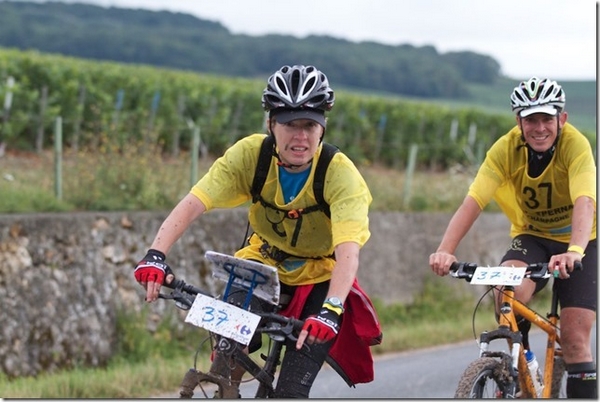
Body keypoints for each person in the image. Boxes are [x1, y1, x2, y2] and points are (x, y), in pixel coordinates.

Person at [133, 64, 382, 398]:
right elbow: (195, 201)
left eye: (310, 125)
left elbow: (348, 253)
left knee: (291, 391)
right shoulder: (251, 155)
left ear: (322, 129)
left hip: (319, 279)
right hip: (258, 269)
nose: (301, 136)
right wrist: (155, 255)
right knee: (223, 363)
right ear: (271, 124)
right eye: (290, 124)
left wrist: (332, 310)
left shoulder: (340, 175)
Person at [429, 77, 596, 398]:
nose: (539, 128)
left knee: (575, 341)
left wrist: (575, 250)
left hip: (582, 240)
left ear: (562, 119)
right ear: (518, 121)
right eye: (530, 119)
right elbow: (473, 201)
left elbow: (585, 201)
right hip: (532, 235)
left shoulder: (576, 146)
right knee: (507, 294)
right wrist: (445, 250)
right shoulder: (505, 149)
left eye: (547, 118)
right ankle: (524, 367)